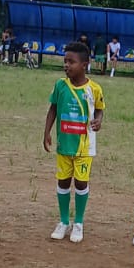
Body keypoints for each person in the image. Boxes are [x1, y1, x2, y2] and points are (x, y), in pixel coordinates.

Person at [43, 41, 104, 244]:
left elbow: (100, 109)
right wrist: (47, 132)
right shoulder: (60, 86)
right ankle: (63, 221)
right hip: (64, 144)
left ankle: (78, 223)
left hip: (85, 146)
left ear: (84, 65)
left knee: (80, 182)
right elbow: (53, 109)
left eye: (71, 62)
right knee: (63, 181)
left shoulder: (94, 89)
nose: (66, 65)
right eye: (65, 61)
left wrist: (98, 120)